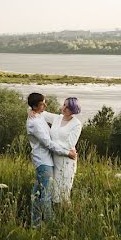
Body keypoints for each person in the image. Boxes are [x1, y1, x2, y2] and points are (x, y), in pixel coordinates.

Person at [26, 92, 76, 226]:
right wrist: (67, 153)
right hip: (44, 162)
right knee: (46, 196)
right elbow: (48, 143)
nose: (45, 105)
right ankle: (50, 224)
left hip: (44, 161)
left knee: (36, 194)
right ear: (36, 106)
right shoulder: (35, 124)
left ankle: (35, 224)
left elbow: (32, 108)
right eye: (43, 103)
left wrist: (30, 110)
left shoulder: (38, 115)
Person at [37, 97, 82, 204]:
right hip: (53, 160)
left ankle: (66, 216)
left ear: (73, 109)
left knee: (63, 194)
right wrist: (30, 111)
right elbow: (40, 112)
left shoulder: (76, 124)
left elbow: (69, 145)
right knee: (52, 192)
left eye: (68, 107)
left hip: (66, 161)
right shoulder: (57, 118)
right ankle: (55, 216)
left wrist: (50, 144)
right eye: (64, 105)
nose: (64, 108)